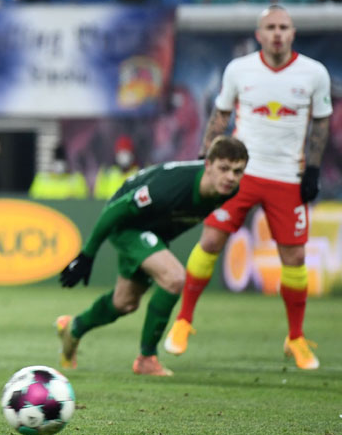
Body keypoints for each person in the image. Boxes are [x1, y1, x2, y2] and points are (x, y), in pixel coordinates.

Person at [164, 5, 332, 370]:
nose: (276, 33)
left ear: (292, 33)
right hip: (241, 173)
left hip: (288, 176)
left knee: (295, 259)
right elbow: (221, 114)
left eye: (283, 27)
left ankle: (296, 338)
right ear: (259, 34)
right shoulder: (239, 70)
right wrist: (205, 158)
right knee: (209, 242)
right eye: (270, 27)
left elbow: (320, 123)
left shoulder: (313, 73)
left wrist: (313, 169)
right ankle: (183, 321)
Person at [56, 136, 249, 376]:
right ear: (207, 165)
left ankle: (73, 327)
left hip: (152, 232)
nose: (230, 177)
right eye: (224, 168)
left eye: (237, 171)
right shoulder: (173, 185)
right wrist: (87, 255)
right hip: (127, 225)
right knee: (175, 278)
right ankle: (146, 358)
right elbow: (117, 209)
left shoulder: (228, 191)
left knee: (124, 303)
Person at [93, 135, 139, 199]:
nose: (124, 155)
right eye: (121, 151)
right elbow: (99, 196)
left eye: (126, 151)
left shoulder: (138, 173)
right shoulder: (107, 172)